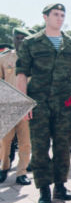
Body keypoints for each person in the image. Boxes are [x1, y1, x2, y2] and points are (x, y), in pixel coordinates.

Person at [16, 4, 71, 203]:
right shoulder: (30, 43)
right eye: (55, 14)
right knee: (40, 147)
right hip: (39, 103)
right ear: (45, 17)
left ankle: (60, 186)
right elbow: (21, 75)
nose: (60, 18)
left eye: (63, 15)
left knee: (64, 146)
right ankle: (44, 189)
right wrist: (24, 104)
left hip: (65, 102)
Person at [0, 27, 32, 185]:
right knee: (5, 141)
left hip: (27, 107)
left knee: (25, 142)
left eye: (24, 38)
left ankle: (22, 172)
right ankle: (4, 167)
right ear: (13, 39)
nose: (20, 41)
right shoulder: (4, 58)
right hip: (8, 106)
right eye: (18, 38)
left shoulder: (33, 59)